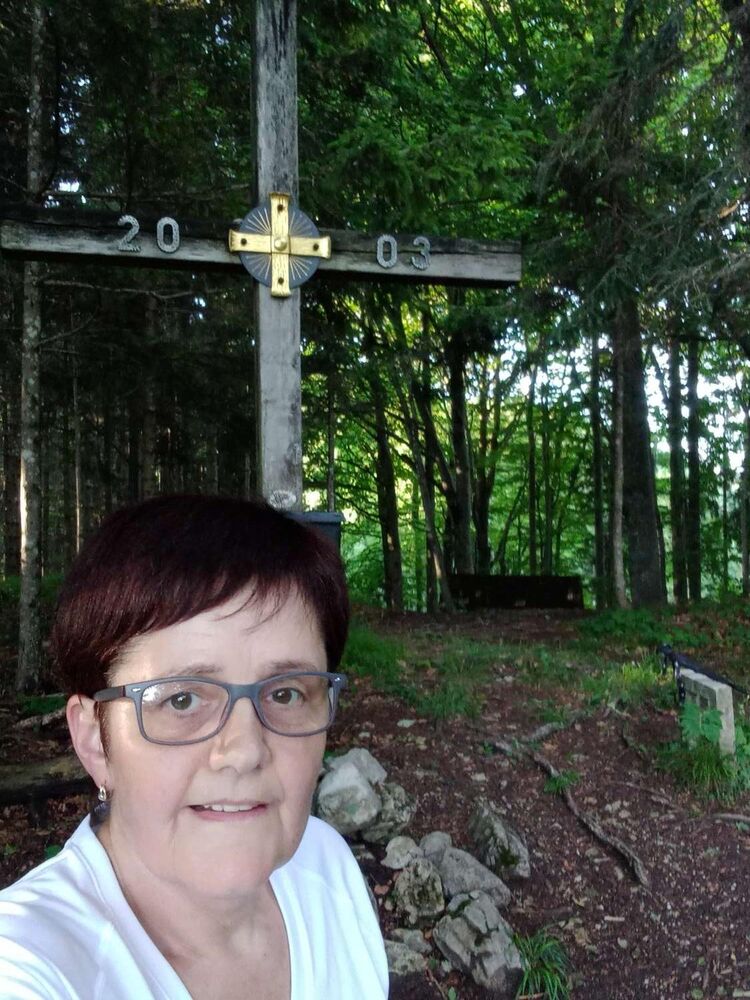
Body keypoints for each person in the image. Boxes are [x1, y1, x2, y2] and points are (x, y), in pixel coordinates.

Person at [0, 495, 389, 999]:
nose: (245, 750)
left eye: (286, 694)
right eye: (181, 699)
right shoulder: (29, 963)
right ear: (95, 739)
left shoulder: (326, 866)